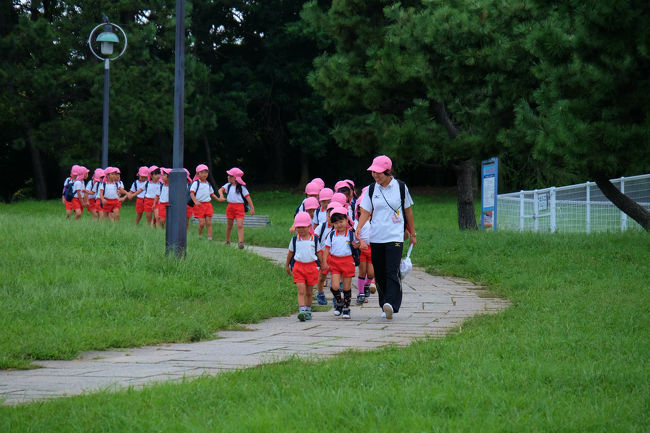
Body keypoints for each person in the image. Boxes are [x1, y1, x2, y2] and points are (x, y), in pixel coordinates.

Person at [356, 155, 417, 320]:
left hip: (395, 236)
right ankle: (384, 304)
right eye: (373, 172)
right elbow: (366, 211)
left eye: (379, 173)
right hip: (376, 237)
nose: (375, 175)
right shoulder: (371, 189)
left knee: (392, 271)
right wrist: (359, 227)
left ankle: (391, 303)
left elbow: (408, 211)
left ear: (388, 171)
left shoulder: (401, 187)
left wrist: (412, 232)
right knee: (380, 273)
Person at [321, 206, 360, 319]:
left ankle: (346, 308)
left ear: (347, 220)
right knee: (334, 286)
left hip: (348, 262)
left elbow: (359, 245)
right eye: (336, 222)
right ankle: (339, 302)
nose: (339, 224)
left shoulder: (351, 234)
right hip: (335, 262)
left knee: (347, 287)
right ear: (333, 224)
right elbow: (327, 249)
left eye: (341, 221)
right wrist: (324, 262)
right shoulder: (332, 235)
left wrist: (358, 245)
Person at [285, 212, 323, 322]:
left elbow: (319, 252)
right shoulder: (294, 240)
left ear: (309, 227)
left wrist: (323, 264)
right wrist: (287, 265)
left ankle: (308, 310)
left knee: (309, 292)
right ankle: (301, 311)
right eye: (298, 227)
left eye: (303, 227)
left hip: (311, 268)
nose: (300, 230)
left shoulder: (314, 240)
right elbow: (290, 253)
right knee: (301, 290)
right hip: (298, 267)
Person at [217, 167, 255, 248]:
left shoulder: (242, 188)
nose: (228, 177)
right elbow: (220, 190)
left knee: (240, 225)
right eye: (228, 176)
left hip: (239, 208)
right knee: (229, 225)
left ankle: (241, 242)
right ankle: (227, 241)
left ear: (235, 178)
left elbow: (248, 197)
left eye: (230, 176)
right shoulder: (228, 186)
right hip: (230, 207)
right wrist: (221, 195)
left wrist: (252, 208)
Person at [313, 201, 338, 305]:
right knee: (322, 276)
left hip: (335, 255)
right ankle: (320, 293)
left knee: (335, 276)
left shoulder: (339, 228)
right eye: (329, 215)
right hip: (323, 254)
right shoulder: (322, 227)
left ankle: (335, 296)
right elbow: (314, 238)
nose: (330, 218)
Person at [190, 164, 219, 240]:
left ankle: (210, 238)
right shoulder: (196, 183)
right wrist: (195, 201)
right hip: (199, 205)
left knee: (209, 223)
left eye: (206, 172)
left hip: (208, 205)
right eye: (201, 172)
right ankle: (199, 235)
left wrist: (218, 199)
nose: (204, 174)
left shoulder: (208, 184)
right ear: (197, 174)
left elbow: (212, 194)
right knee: (202, 223)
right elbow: (192, 193)